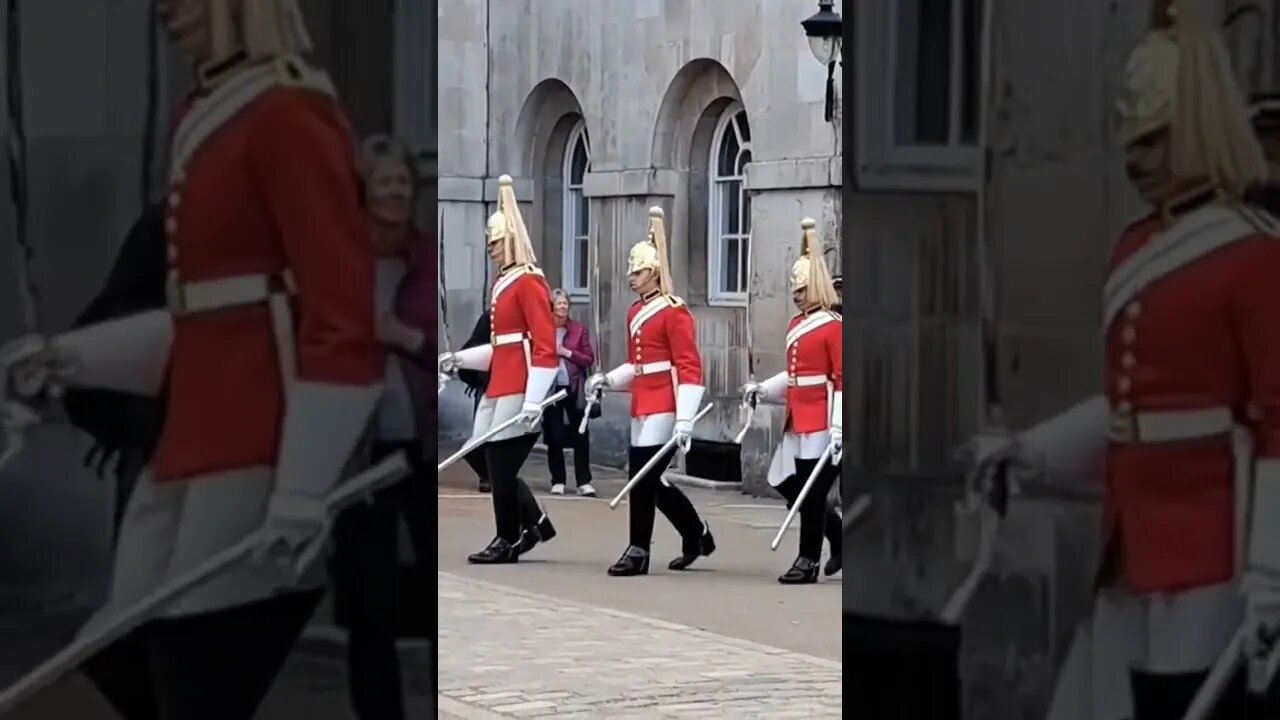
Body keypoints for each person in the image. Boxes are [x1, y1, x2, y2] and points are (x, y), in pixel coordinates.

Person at [1, 1, 383, 718]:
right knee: (118, 647)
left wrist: (301, 483)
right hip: (188, 443)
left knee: (194, 674)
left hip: (256, 445)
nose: (166, 13)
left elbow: (339, 316)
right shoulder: (211, 118)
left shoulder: (289, 113)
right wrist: (69, 359)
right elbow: (202, 324)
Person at [976, 1, 1280, 717]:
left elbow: (1275, 429)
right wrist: (1032, 450)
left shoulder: (1252, 255)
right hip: (1131, 542)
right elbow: (1130, 412)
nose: (1132, 155)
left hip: (1215, 552)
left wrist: (1270, 573)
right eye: (1131, 137)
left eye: (1151, 139)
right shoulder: (1134, 250)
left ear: (1193, 131)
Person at [327, 134, 434, 720]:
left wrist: (403, 338)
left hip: (414, 443)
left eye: (402, 182)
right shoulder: (335, 264)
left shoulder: (425, 259)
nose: (394, 192)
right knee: (367, 606)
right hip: (355, 451)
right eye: (383, 181)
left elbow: (448, 345)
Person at [585, 207, 716, 577]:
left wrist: (686, 417)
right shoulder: (634, 313)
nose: (632, 278)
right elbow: (636, 365)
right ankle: (696, 534)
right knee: (651, 478)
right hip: (643, 401)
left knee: (641, 477)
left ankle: (638, 550)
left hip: (666, 403)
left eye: (638, 272)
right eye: (631, 271)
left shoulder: (674, 312)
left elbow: (689, 366)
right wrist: (608, 380)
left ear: (655, 273)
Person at [437, 174, 558, 564]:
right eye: (488, 243)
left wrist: (535, 398)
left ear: (513, 241)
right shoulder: (503, 283)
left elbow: (544, 344)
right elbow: (501, 348)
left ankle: (508, 538)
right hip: (500, 382)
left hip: (521, 386)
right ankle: (535, 523)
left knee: (501, 467)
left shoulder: (529, 282)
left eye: (496, 242)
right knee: (480, 454)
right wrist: (460, 360)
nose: (491, 249)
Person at [743, 218, 843, 584]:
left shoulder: (833, 325)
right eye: (794, 290)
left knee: (812, 494)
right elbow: (794, 375)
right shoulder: (796, 325)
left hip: (822, 416)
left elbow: (842, 379)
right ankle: (838, 537)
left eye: (801, 289)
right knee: (787, 481)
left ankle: (808, 560)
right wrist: (764, 389)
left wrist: (838, 426)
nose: (796, 295)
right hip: (798, 415)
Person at [545, 288, 596, 496]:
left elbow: (588, 358)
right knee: (554, 434)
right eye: (559, 303)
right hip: (550, 389)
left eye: (565, 303)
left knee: (580, 434)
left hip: (573, 388)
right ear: (551, 307)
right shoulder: (543, 329)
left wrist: (567, 353)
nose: (563, 306)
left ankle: (584, 481)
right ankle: (558, 480)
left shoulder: (578, 329)